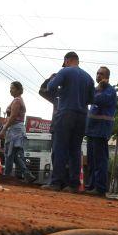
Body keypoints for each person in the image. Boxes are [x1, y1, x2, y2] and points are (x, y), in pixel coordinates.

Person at [44, 51, 95, 192]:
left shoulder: (65, 71)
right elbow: (92, 100)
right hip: (82, 115)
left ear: (67, 60)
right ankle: (73, 184)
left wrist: (62, 91)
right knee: (75, 149)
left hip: (66, 112)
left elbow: (50, 87)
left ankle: (56, 182)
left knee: (60, 147)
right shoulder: (89, 77)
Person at [83, 67, 117, 196]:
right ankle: (91, 186)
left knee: (99, 161)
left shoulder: (110, 91)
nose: (98, 75)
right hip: (92, 130)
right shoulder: (98, 90)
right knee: (91, 161)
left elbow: (96, 99)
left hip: (101, 130)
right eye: (97, 73)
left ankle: (100, 188)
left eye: (101, 74)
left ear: (107, 76)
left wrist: (97, 89)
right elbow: (89, 97)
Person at [0, 81, 29, 180]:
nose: (10, 90)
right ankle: (27, 174)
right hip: (17, 129)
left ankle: (6, 176)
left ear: (17, 90)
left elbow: (13, 117)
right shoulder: (20, 100)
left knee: (8, 152)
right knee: (13, 154)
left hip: (14, 129)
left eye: (12, 88)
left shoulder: (17, 100)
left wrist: (4, 129)